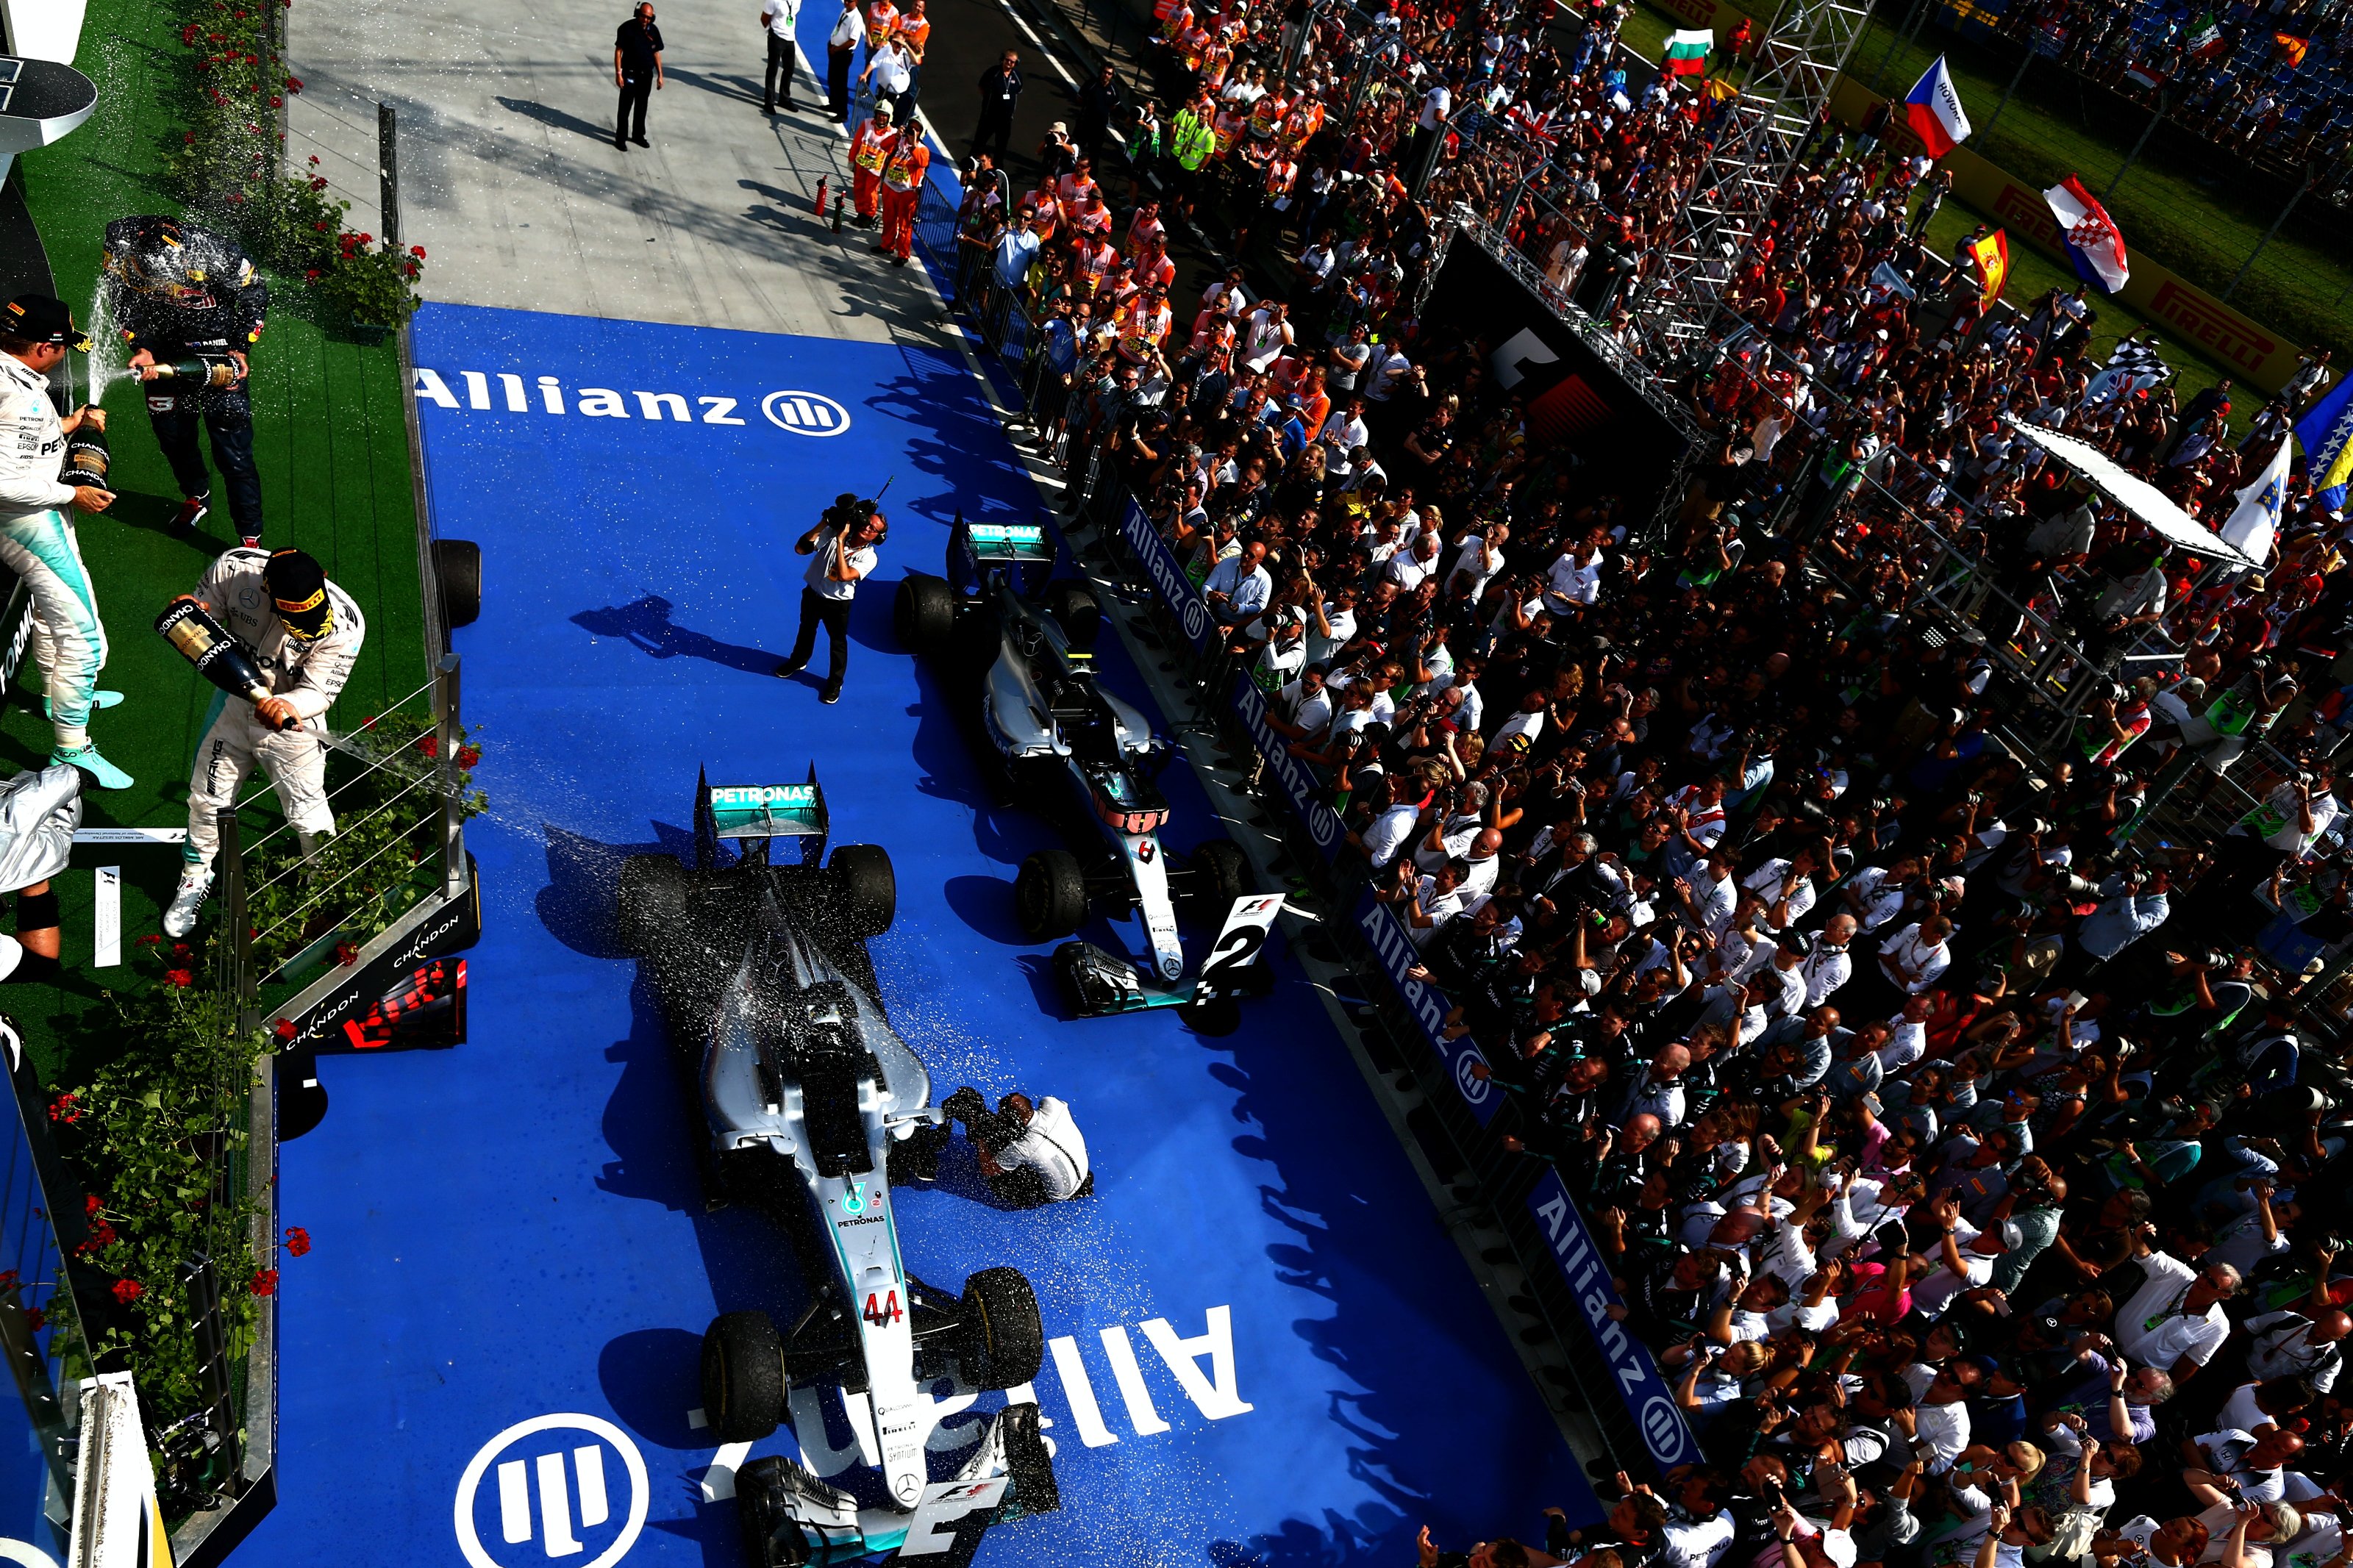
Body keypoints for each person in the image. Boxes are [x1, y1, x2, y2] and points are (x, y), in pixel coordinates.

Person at [163, 548, 367, 938]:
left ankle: (324, 885)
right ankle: (194, 876)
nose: (301, 628)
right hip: (233, 708)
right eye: (293, 617)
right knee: (206, 800)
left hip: (293, 725)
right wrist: (192, 613)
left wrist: (285, 705)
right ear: (267, 591)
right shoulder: (234, 568)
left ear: (323, 577)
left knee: (307, 811)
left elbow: (321, 692)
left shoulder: (346, 624)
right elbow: (207, 621)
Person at [0, 296, 127, 791]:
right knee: (87, 641)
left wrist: (68, 426)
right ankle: (72, 749)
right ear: (42, 347)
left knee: (58, 619)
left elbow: (15, 439)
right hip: (28, 523)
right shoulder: (15, 393)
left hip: (32, 518)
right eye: (63, 344)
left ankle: (57, 695)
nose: (67, 352)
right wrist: (72, 492)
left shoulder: (13, 378)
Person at [101, 216, 268, 547]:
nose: (160, 287)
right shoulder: (118, 240)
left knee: (233, 454)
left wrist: (240, 346)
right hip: (161, 356)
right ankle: (197, 496)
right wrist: (143, 346)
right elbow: (118, 296)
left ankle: (250, 538)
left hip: (217, 355)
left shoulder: (219, 253)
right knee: (173, 438)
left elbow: (255, 292)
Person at [774, 493, 885, 703]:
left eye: (874, 529)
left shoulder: (869, 557)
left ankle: (835, 683)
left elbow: (844, 575)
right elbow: (800, 549)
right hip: (813, 593)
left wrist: (841, 541)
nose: (868, 528)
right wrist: (824, 522)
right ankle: (798, 661)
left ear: (877, 537)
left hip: (837, 603)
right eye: (868, 523)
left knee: (838, 643)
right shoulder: (832, 532)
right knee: (806, 629)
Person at [940, 1086, 1091, 1204]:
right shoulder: (1053, 1104)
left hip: (1056, 1193)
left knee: (998, 1179)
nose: (998, 1118)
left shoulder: (1024, 1148)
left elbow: (988, 1169)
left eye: (1001, 1117)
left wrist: (980, 1134)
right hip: (1081, 1171)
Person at [613, 1, 665, 150]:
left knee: (642, 106)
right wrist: (618, 74)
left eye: (649, 18)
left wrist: (660, 75)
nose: (646, 20)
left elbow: (656, 53)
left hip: (646, 75)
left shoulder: (653, 31)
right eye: (643, 16)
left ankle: (638, 135)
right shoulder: (626, 29)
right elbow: (618, 52)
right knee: (625, 106)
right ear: (637, 14)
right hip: (630, 73)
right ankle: (621, 138)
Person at [875, 126, 929, 266]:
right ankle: (886, 245)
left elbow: (923, 162)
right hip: (890, 186)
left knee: (904, 224)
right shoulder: (898, 141)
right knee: (888, 218)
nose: (911, 133)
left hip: (907, 192)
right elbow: (883, 145)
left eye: (916, 130)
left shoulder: (923, 149)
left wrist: (914, 144)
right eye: (910, 129)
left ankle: (903, 254)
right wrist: (896, 136)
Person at [847, 101, 899, 229]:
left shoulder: (893, 133)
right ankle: (860, 213)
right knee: (858, 190)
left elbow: (892, 152)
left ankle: (868, 216)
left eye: (885, 115)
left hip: (876, 170)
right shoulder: (866, 124)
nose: (882, 117)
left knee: (870, 193)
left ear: (889, 117)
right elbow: (857, 143)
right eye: (880, 114)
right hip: (861, 165)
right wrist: (851, 160)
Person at [971, 50, 1022, 162]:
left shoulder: (1017, 76)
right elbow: (981, 87)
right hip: (990, 115)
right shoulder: (993, 72)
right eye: (1007, 60)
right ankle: (972, 161)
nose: (1009, 63)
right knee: (980, 140)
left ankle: (998, 167)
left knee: (1001, 145)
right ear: (1003, 59)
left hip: (1006, 118)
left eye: (1012, 62)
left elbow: (1018, 91)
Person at [759, 0, 801, 114]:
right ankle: (769, 101)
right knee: (773, 70)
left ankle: (784, 98)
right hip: (776, 38)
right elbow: (764, 19)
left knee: (789, 69)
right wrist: (774, 31)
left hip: (790, 39)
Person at [825, 0, 863, 121]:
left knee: (841, 83)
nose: (846, 3)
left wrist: (837, 49)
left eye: (850, 1)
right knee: (832, 79)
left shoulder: (856, 18)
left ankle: (843, 113)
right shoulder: (845, 11)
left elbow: (852, 41)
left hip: (843, 54)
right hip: (834, 49)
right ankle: (834, 104)